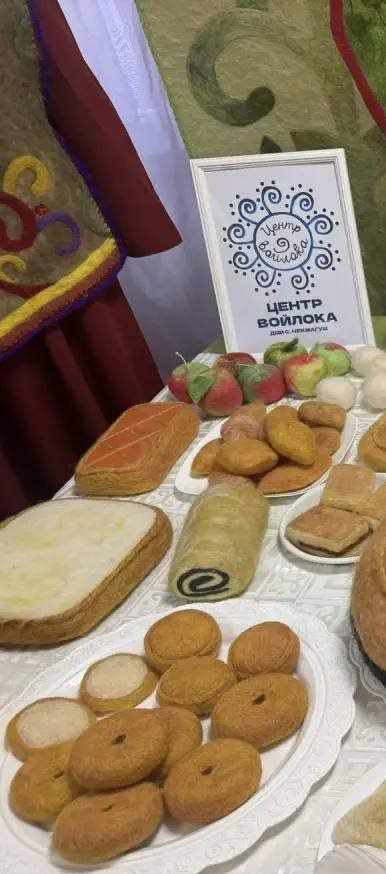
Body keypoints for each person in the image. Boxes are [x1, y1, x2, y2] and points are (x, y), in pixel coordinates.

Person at [0, 0, 179, 516]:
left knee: (136, 459)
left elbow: (63, 78)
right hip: (56, 260)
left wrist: (137, 213)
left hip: (56, 258)